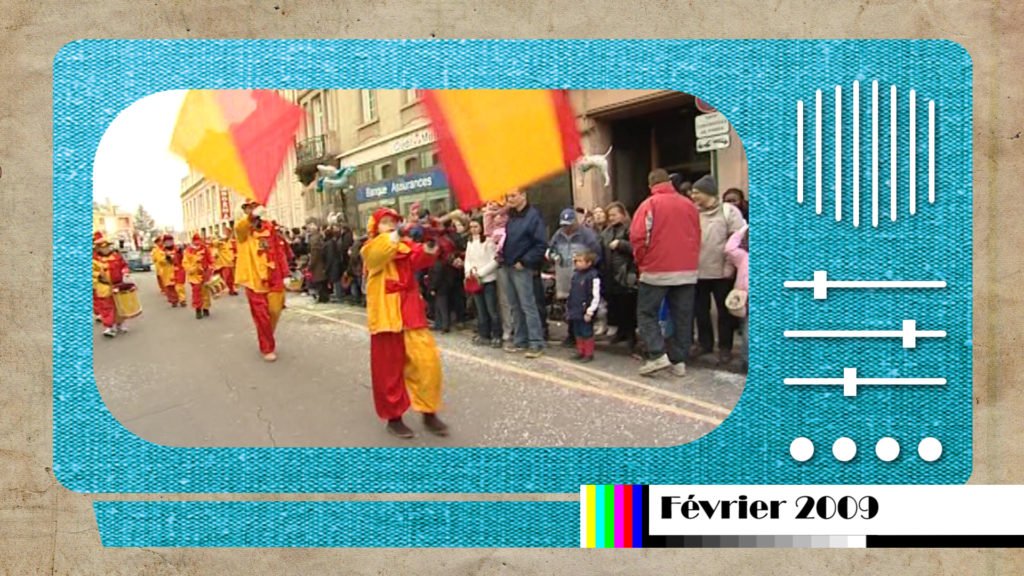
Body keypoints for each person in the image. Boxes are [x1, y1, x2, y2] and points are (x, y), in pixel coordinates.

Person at [361, 206, 448, 439]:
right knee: (388, 372)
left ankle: (429, 412)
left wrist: (432, 236)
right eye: (385, 221)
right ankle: (394, 418)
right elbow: (376, 256)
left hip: (410, 313)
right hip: (386, 317)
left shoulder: (405, 246)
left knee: (428, 363)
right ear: (374, 227)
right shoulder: (371, 248)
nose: (390, 224)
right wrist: (399, 233)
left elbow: (423, 257)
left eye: (394, 220)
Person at [630, 169, 702, 377]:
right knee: (683, 316)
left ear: (651, 184)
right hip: (686, 269)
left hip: (656, 269)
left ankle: (657, 354)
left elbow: (638, 237)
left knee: (646, 313)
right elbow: (697, 235)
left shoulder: (649, 205)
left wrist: (642, 261)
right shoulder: (689, 205)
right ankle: (679, 361)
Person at [690, 175, 747, 364]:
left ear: (708, 193)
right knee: (700, 310)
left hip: (722, 272)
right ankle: (705, 343)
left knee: (724, 312)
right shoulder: (692, 212)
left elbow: (737, 241)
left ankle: (725, 347)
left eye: (697, 192)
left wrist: (729, 268)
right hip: (698, 271)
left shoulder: (729, 212)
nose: (693, 196)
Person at [234, 202, 288, 361]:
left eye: (254, 206)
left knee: (275, 310)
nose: (251, 209)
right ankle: (267, 347)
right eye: (248, 208)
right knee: (261, 316)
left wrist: (285, 273)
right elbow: (240, 229)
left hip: (273, 276)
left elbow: (279, 251)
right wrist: (252, 217)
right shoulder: (243, 229)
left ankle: (265, 334)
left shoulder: (269, 228)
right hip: (254, 279)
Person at [500, 188, 548, 358]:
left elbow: (541, 244)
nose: (510, 199)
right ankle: (520, 340)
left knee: (528, 305)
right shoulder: (512, 216)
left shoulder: (533, 216)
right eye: (508, 196)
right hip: (508, 264)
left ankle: (536, 342)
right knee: (515, 305)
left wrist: (526, 261)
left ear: (523, 196)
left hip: (521, 266)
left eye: (513, 196)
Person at [549, 207, 603, 347]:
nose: (566, 228)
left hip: (582, 277)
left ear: (576, 222)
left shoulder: (587, 235)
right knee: (569, 305)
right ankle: (572, 335)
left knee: (582, 306)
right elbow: (550, 249)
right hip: (564, 276)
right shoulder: (558, 234)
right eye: (563, 225)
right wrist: (553, 255)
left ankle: (585, 337)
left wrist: (588, 268)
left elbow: (596, 254)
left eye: (569, 225)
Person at [600, 202, 639, 352]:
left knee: (628, 306)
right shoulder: (607, 231)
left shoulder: (630, 229)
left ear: (623, 214)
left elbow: (637, 248)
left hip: (625, 272)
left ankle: (631, 335)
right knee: (615, 305)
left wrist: (622, 244)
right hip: (610, 273)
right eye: (609, 215)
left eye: (614, 214)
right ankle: (620, 332)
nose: (612, 218)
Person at [464, 218, 502, 347]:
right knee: (480, 309)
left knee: (492, 309)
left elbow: (495, 261)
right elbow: (467, 259)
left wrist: (480, 273)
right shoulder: (470, 242)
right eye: (471, 227)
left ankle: (496, 334)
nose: (473, 229)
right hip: (475, 281)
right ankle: (484, 334)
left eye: (476, 226)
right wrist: (468, 272)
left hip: (488, 279)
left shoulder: (489, 242)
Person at [483, 201, 515, 345]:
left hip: (510, 260)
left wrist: (500, 211)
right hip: (495, 261)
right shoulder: (490, 220)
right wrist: (490, 212)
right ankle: (506, 328)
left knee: (512, 298)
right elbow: (487, 229)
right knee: (502, 300)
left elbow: (510, 207)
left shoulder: (509, 216)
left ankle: (513, 329)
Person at [92, 232, 129, 338]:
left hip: (118, 285)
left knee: (119, 306)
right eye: (102, 247)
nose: (105, 249)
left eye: (107, 246)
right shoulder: (94, 260)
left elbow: (124, 265)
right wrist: (98, 275)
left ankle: (120, 324)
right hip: (104, 286)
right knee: (106, 307)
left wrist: (125, 272)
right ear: (98, 249)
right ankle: (109, 327)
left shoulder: (116, 256)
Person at [566, 250, 601, 363]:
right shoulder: (576, 275)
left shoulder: (593, 276)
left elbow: (595, 296)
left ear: (589, 263)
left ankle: (588, 353)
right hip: (575, 308)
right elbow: (572, 292)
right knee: (577, 331)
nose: (577, 263)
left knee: (586, 332)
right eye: (576, 261)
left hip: (585, 310)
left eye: (580, 261)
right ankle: (580, 351)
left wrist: (590, 311)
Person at [724, 225, 750, 371]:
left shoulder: (743, 257)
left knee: (748, 330)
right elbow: (729, 248)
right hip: (746, 297)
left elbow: (730, 247)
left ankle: (747, 362)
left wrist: (741, 230)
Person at [183, 234, 214, 319]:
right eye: (195, 240)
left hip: (205, 274)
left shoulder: (205, 248)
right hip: (194, 276)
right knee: (196, 293)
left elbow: (210, 259)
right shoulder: (188, 250)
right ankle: (198, 309)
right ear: (193, 241)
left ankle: (206, 308)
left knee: (205, 292)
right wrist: (192, 268)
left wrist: (210, 268)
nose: (197, 242)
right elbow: (185, 263)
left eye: (198, 240)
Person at [152, 234, 179, 307]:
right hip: (164, 270)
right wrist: (167, 259)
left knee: (177, 285)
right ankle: (173, 300)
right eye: (159, 241)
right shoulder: (157, 250)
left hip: (175, 269)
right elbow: (157, 259)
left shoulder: (175, 248)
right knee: (168, 286)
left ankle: (180, 298)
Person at [213, 230, 238, 296]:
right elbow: (214, 243)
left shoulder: (232, 242)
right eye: (226, 234)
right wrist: (220, 239)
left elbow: (236, 251)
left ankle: (231, 289)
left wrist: (235, 258)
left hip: (231, 263)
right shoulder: (220, 243)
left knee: (231, 278)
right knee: (226, 278)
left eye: (228, 234)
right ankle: (228, 289)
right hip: (222, 264)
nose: (227, 236)